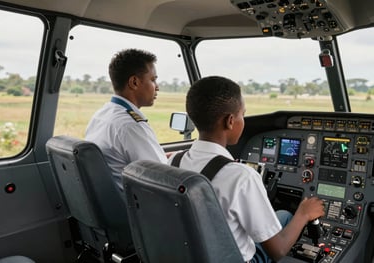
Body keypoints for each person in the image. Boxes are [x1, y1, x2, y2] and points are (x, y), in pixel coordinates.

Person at [168, 76, 325, 263]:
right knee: (287, 216)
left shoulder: (174, 162)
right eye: (243, 114)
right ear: (230, 121)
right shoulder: (242, 177)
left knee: (279, 216)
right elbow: (278, 250)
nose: (244, 120)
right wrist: (304, 213)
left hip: (188, 254)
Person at [85, 48, 167, 189]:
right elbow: (163, 178)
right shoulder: (130, 126)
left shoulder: (101, 114)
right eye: (153, 80)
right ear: (134, 82)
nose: (157, 87)